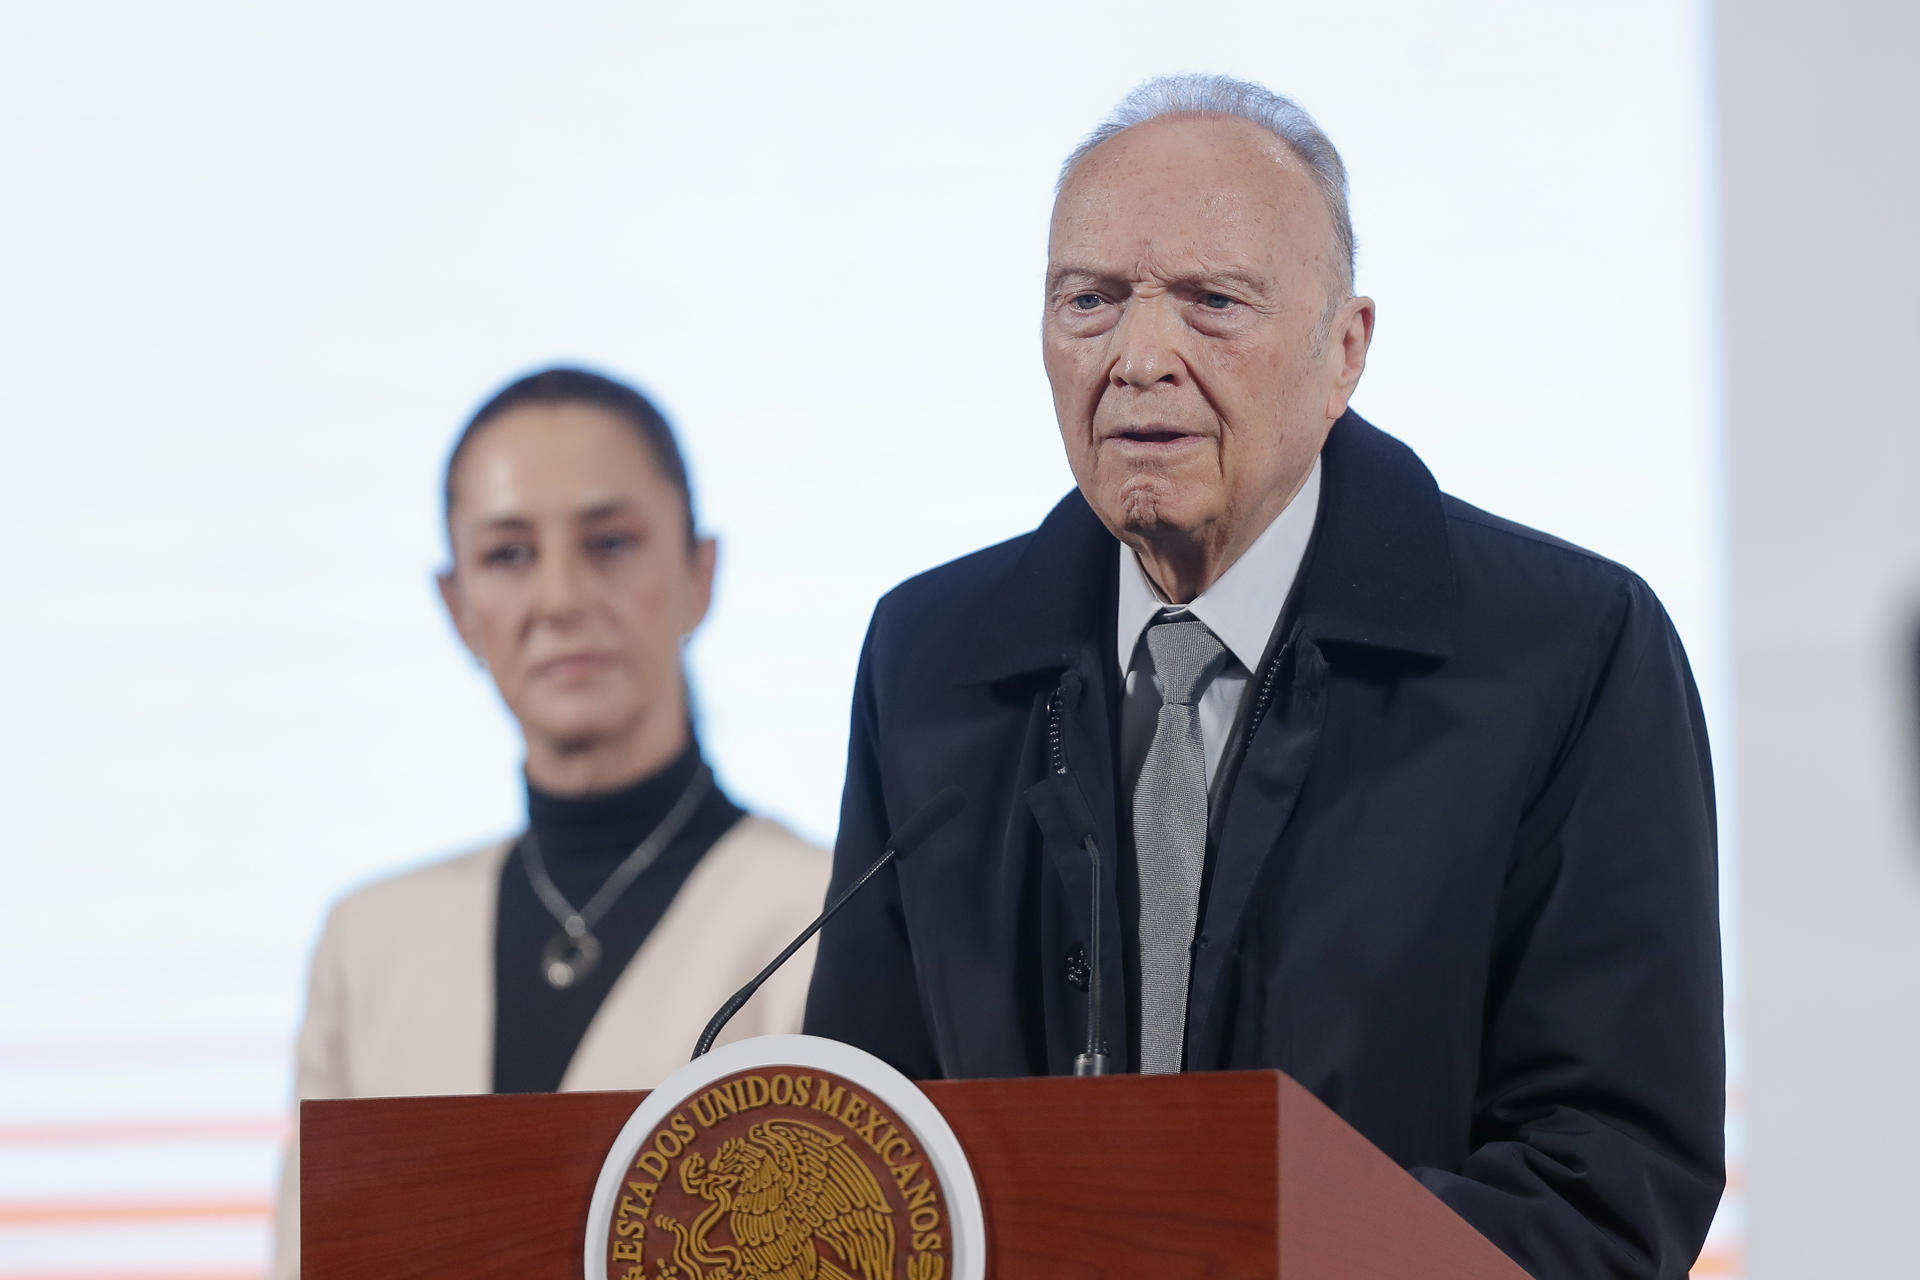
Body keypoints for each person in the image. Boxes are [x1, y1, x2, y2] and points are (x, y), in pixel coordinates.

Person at [804, 75, 1723, 1278]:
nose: (1139, 357)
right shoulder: (936, 658)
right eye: (1089, 300)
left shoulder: (1566, 649)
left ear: (1346, 351)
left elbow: (1611, 1168)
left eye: (1212, 301)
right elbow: (866, 1133)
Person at [271, 367, 827, 1276]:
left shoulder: (826, 913)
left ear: (701, 573)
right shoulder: (368, 947)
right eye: (508, 555)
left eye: (609, 542)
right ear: (457, 609)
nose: (561, 599)